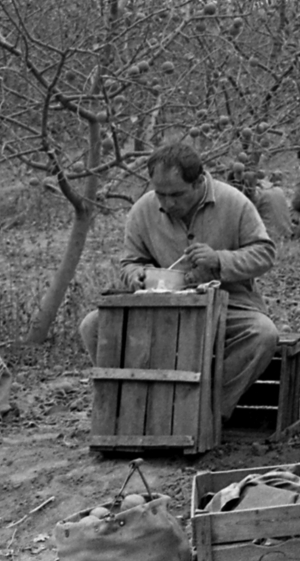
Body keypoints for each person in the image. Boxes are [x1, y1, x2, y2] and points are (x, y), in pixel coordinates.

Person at [77, 143, 279, 418]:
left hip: (228, 306)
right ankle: (129, 411)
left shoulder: (234, 202)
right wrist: (135, 275)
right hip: (162, 306)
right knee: (93, 326)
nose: (167, 203)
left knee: (263, 334)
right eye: (160, 193)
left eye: (176, 194)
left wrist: (220, 260)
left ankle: (206, 412)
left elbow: (264, 253)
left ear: (198, 181)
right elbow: (130, 261)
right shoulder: (142, 210)